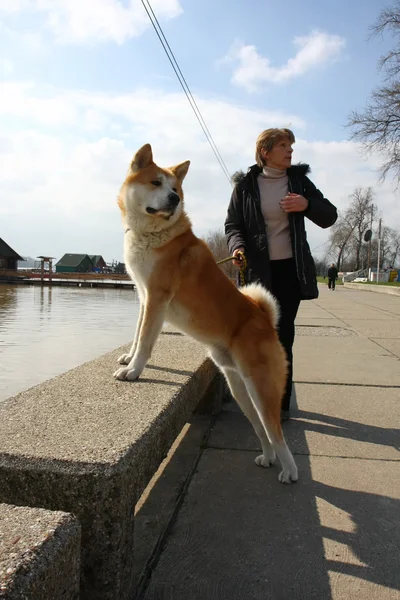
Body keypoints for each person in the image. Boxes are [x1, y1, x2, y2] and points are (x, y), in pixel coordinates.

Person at [225, 128, 338, 421]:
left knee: (283, 335)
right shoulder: (245, 186)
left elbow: (329, 215)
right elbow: (233, 226)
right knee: (256, 336)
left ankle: (280, 405)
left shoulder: (299, 181)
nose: (290, 150)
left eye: (291, 145)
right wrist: (238, 248)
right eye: (284, 145)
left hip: (290, 271)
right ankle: (255, 396)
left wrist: (306, 204)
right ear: (266, 151)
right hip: (257, 273)